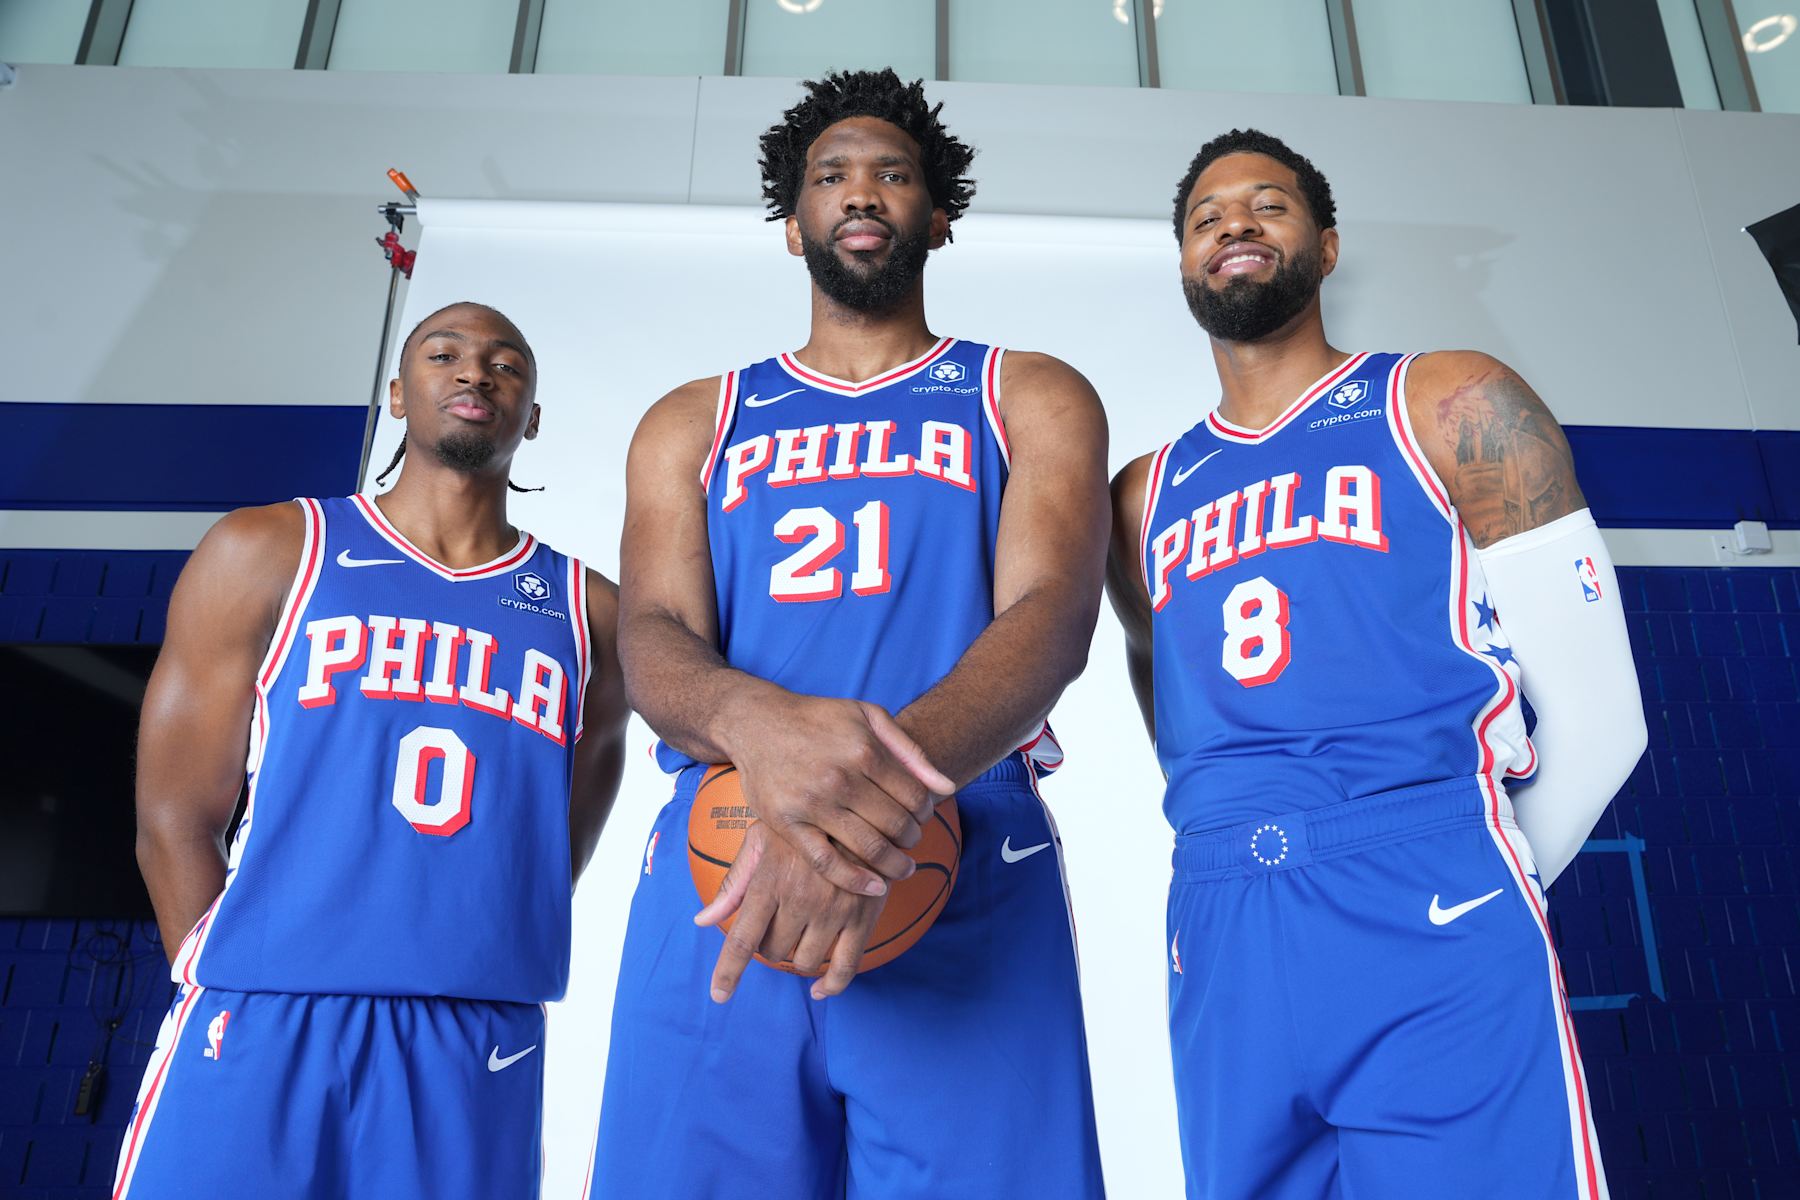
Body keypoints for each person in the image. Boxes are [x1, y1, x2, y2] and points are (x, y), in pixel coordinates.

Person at [588, 69, 1108, 1198]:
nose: (860, 191)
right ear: (792, 222)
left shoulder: (1026, 391)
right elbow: (656, 634)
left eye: (892, 173)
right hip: (727, 852)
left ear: (939, 214)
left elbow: (1050, 622)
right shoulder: (695, 418)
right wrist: (759, 732)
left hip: (954, 845)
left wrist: (861, 807)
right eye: (830, 176)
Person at [1105, 129, 1647, 1199]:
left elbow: (1605, 720)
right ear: (1182, 263)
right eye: (1207, 218)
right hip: (1222, 913)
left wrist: (1484, 878)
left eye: (1269, 206)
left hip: (1424, 869)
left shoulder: (1450, 400)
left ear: (1330, 245)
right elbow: (1178, 723)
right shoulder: (1139, 495)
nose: (1236, 228)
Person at [117, 302, 628, 1199]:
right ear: (398, 392)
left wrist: (472, 935)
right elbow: (173, 814)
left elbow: (558, 840)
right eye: (445, 355)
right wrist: (228, 971)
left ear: (533, 415)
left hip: (477, 1030)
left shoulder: (592, 614)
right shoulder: (272, 549)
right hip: (264, 1009)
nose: (476, 374)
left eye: (506, 365)